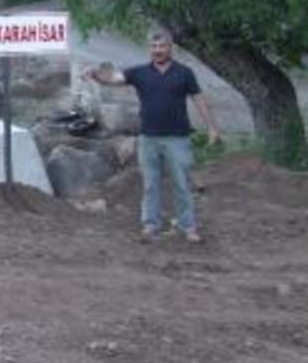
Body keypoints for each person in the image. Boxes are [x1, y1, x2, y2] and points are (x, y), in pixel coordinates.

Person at [84, 31, 220, 243]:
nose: (157, 50)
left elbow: (199, 99)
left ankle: (188, 227)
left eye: (162, 46)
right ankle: (150, 225)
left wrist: (212, 127)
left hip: (178, 138)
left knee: (182, 184)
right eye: (154, 47)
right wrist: (95, 74)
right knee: (150, 184)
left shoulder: (184, 73)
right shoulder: (140, 73)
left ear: (170, 48)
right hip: (148, 139)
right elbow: (113, 79)